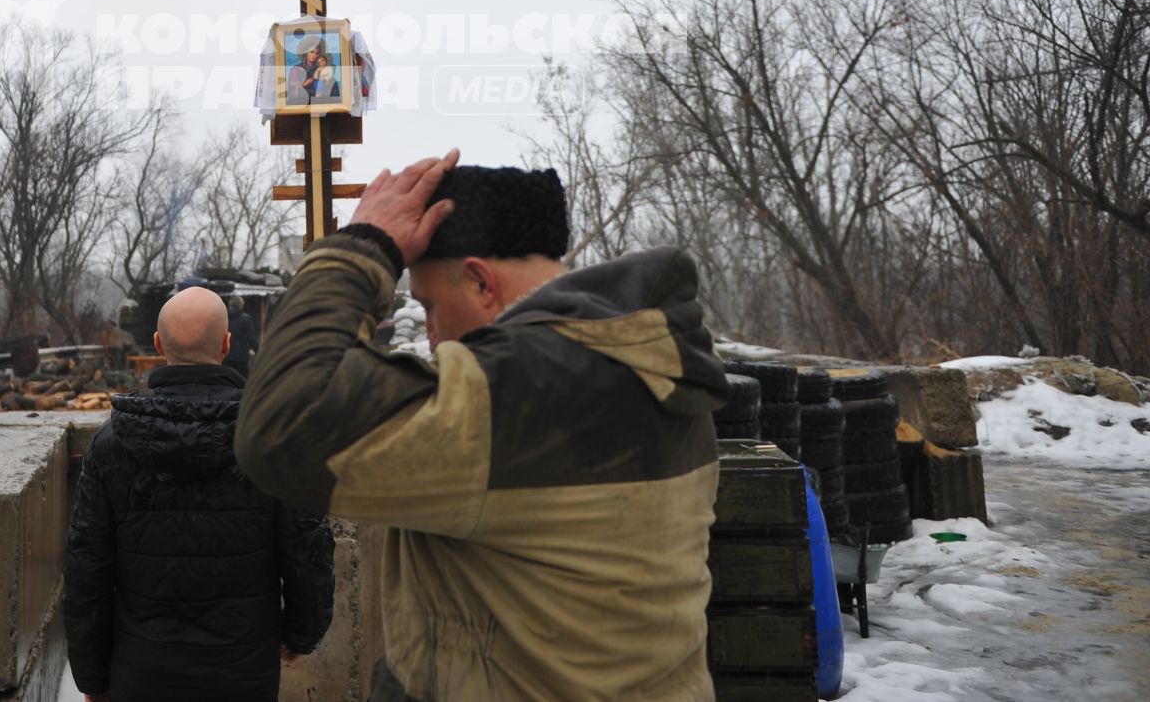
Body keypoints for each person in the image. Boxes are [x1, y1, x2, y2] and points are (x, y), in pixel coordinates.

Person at [237, 153, 730, 702]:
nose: (429, 336)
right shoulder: (644, 366)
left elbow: (286, 426)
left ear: (479, 282)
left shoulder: (521, 389)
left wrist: (358, 252)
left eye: (428, 306)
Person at [63, 286, 335, 702]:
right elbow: (307, 549)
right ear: (228, 344)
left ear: (157, 345)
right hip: (244, 670)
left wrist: (91, 677)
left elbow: (87, 570)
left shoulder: (111, 444)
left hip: (141, 670)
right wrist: (302, 635)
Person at [222, 294, 258, 379]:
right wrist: (258, 350)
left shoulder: (224, 317)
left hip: (226, 356)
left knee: (227, 381)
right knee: (241, 382)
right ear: (241, 305)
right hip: (241, 358)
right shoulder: (246, 319)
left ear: (230, 304)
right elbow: (251, 338)